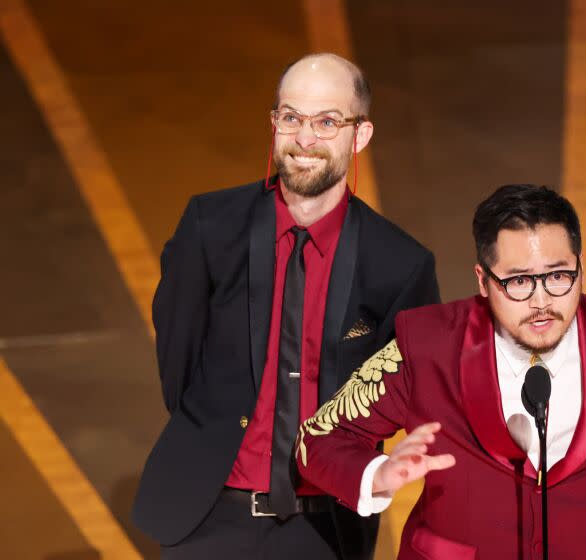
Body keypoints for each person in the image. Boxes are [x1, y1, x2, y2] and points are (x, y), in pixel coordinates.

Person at [294, 184, 586, 559]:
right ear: (483, 280)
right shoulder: (426, 346)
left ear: (581, 267)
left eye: (558, 276)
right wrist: (377, 475)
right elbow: (317, 440)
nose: (541, 301)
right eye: (519, 281)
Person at [132, 52, 440, 560]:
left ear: (359, 135)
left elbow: (404, 397)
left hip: (324, 531)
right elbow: (178, 364)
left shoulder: (400, 265)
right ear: (274, 122)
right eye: (291, 118)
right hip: (206, 517)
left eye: (326, 122)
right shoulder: (210, 227)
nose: (304, 139)